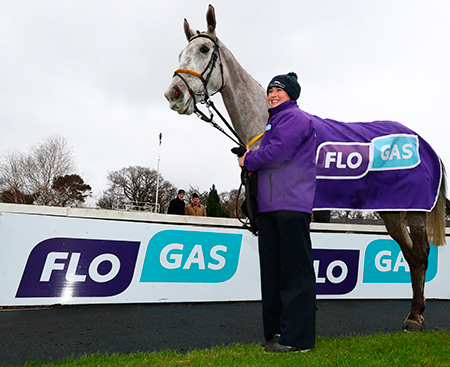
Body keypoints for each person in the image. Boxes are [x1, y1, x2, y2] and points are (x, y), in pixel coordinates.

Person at [238, 72, 316, 353]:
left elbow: (277, 154)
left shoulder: (295, 118)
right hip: (271, 208)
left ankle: (299, 339)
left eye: (279, 90)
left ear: (291, 94)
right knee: (272, 274)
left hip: (291, 206)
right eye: (270, 90)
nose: (272, 94)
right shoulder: (273, 121)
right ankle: (276, 333)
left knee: (295, 273)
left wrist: (249, 159)